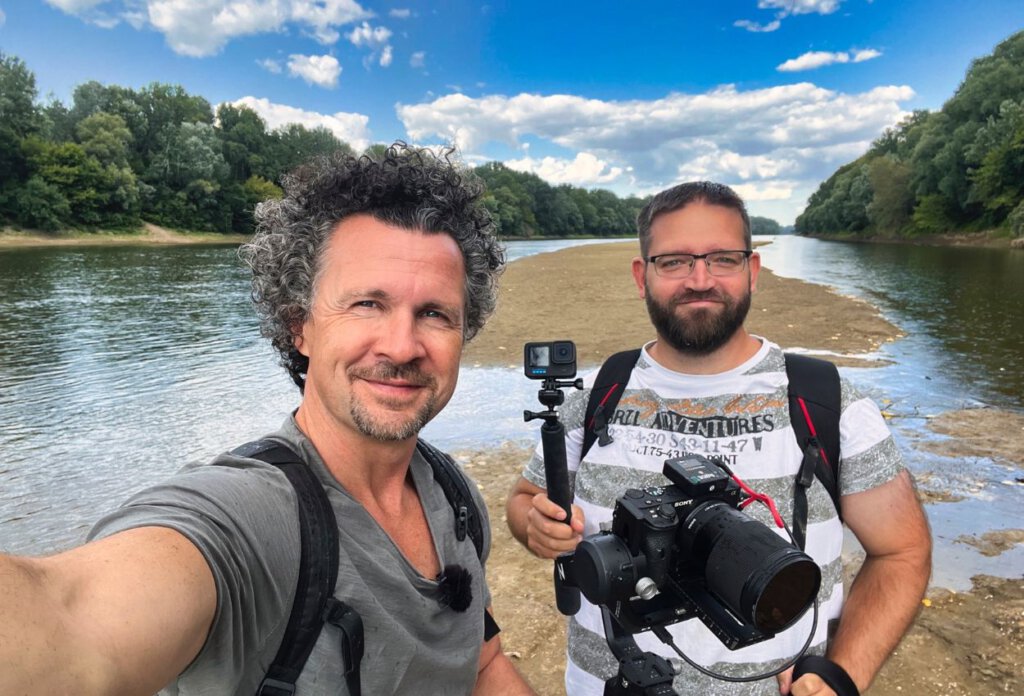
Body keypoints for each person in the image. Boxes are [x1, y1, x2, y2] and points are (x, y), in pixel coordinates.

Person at [0, 143, 535, 695]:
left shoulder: (454, 495)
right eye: (366, 304)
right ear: (299, 326)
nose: (401, 347)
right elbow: (70, 618)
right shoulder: (253, 518)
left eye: (434, 314)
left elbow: (482, 663)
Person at [506, 181, 932, 696]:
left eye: (722, 259)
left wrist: (842, 674)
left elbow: (902, 552)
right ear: (643, 277)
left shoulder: (827, 402)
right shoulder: (597, 396)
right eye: (675, 261)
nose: (700, 279)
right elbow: (526, 500)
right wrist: (535, 525)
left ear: (752, 271)